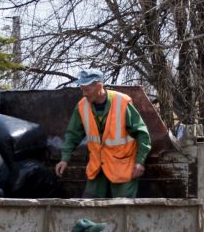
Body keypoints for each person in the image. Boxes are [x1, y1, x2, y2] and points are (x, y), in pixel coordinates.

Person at [54, 69, 151, 198]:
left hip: (122, 167)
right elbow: (73, 135)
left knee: (123, 209)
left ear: (99, 86)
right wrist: (64, 159)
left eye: (87, 90)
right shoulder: (82, 106)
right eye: (82, 90)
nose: (84, 94)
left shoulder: (121, 103)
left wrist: (140, 161)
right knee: (88, 207)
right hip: (97, 168)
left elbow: (142, 133)